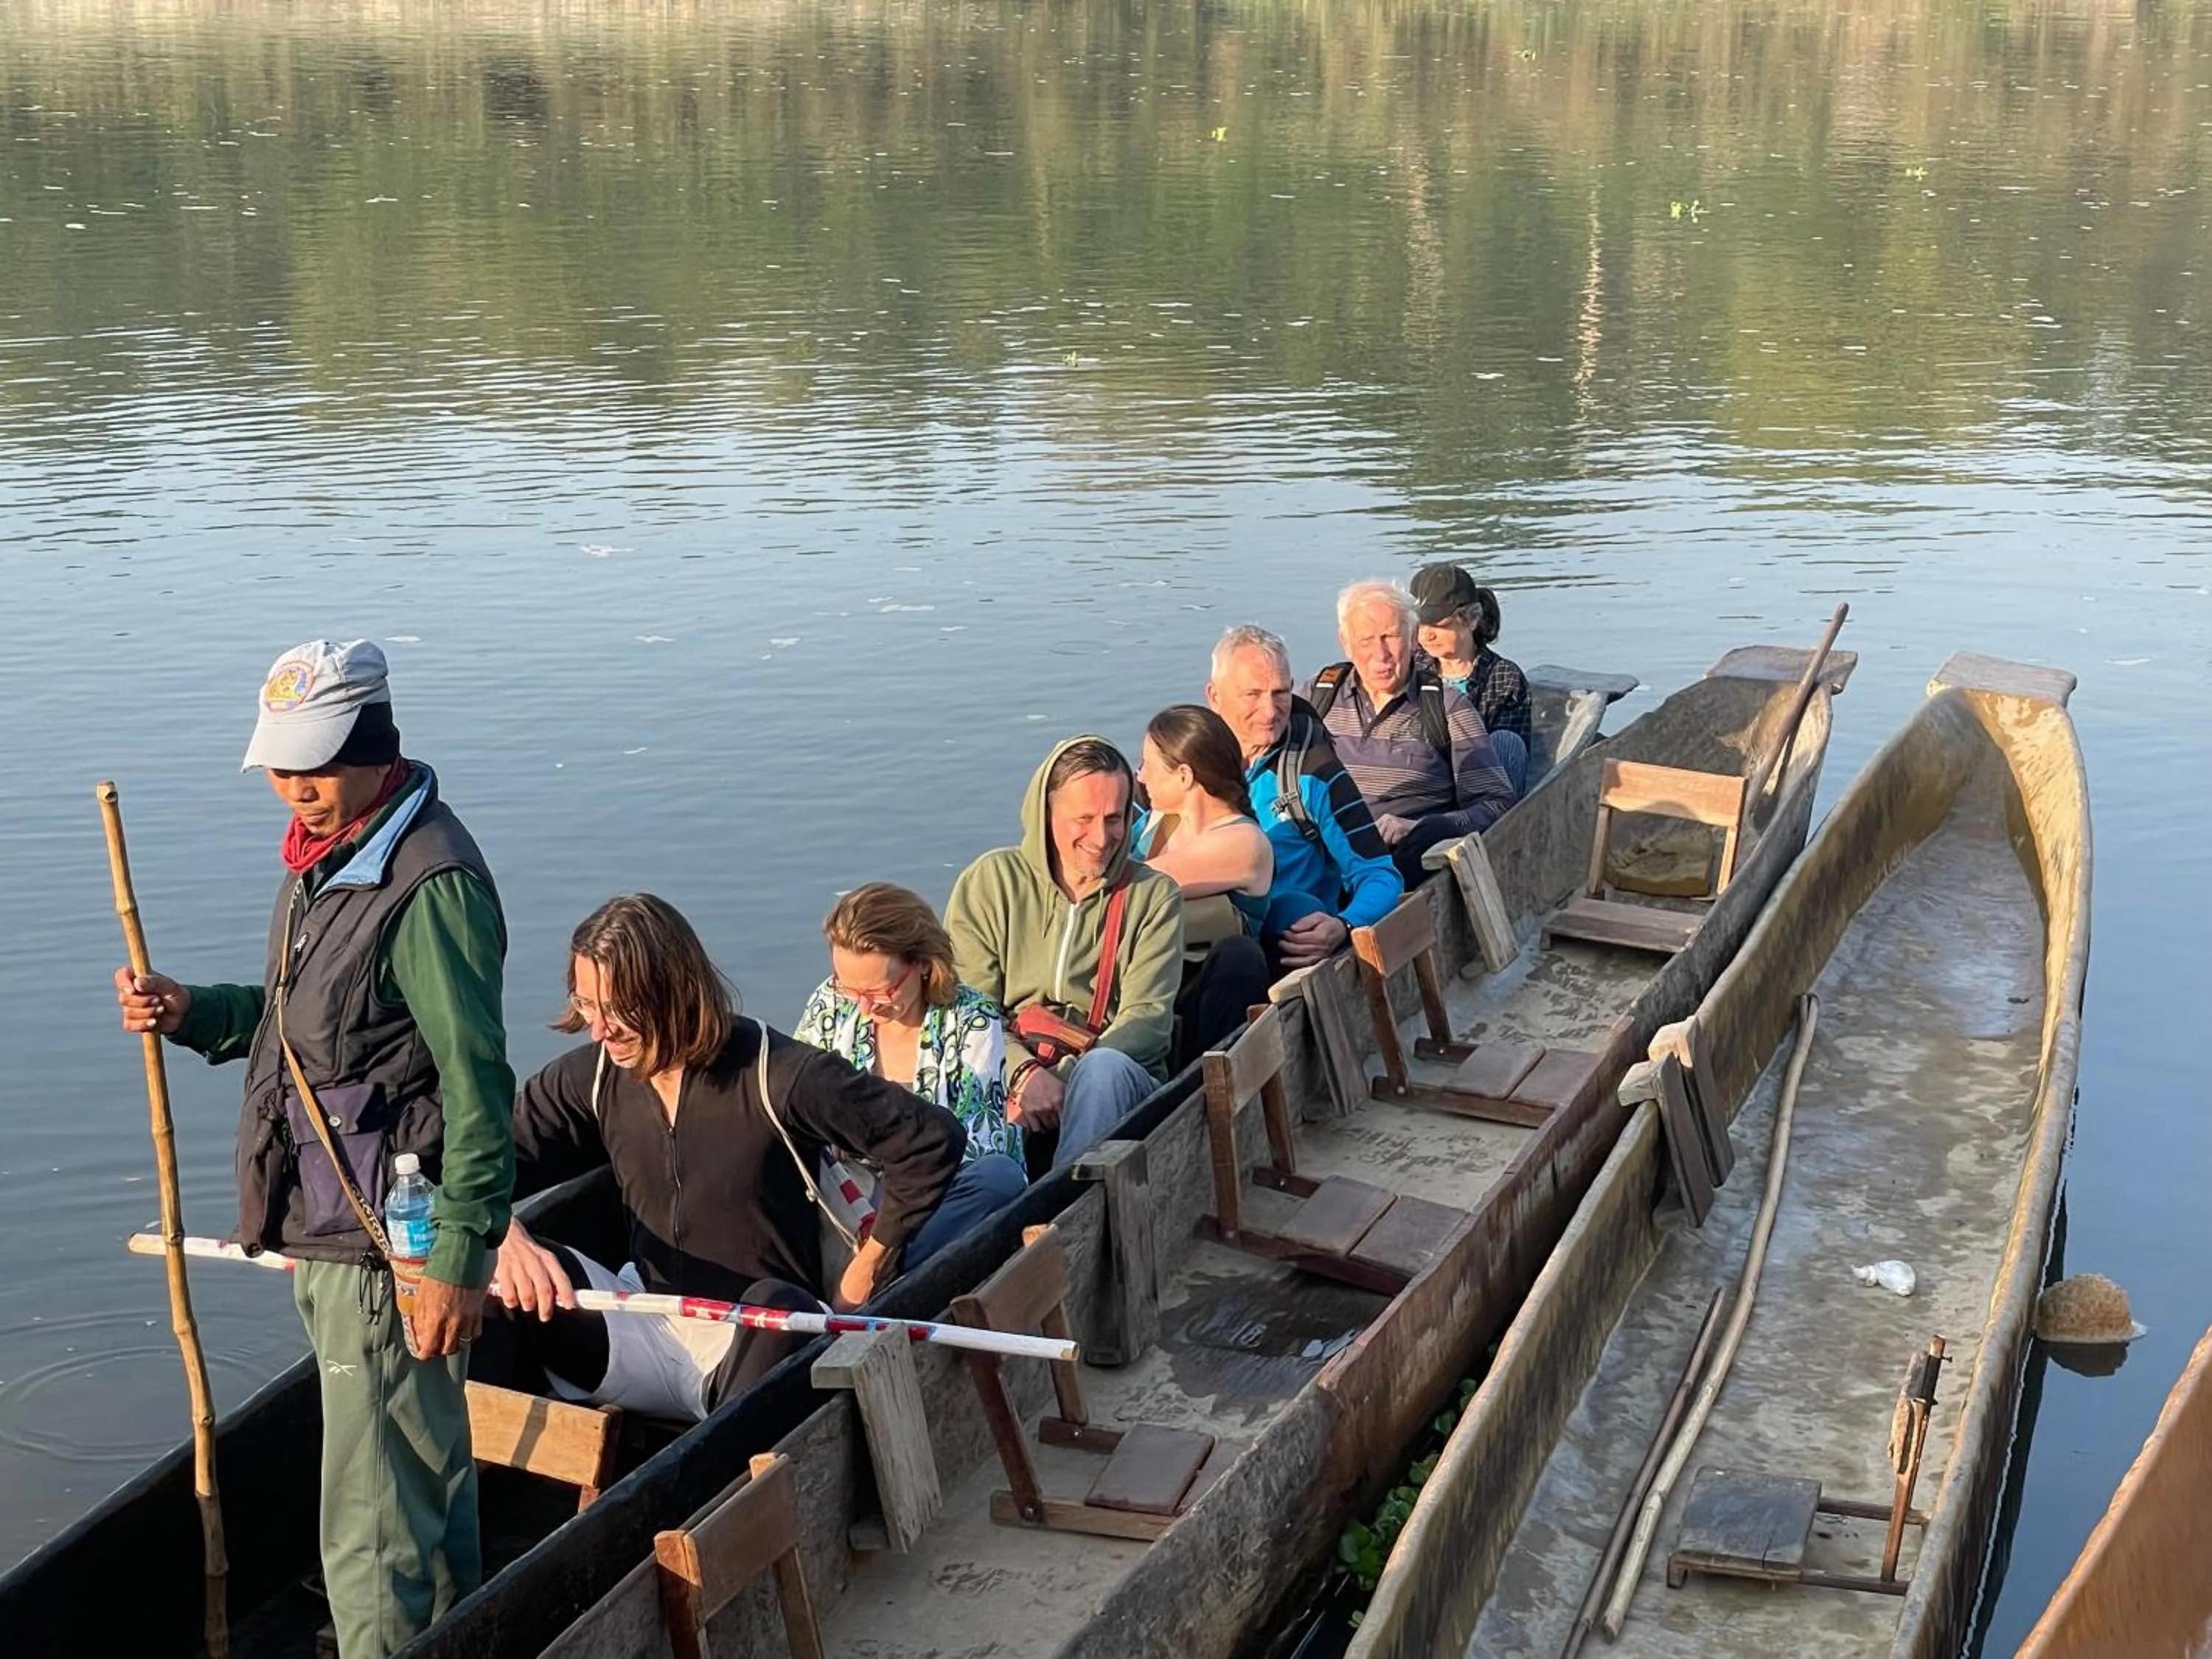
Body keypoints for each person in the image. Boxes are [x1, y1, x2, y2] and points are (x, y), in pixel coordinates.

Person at [114, 639, 514, 1659]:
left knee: (371, 1514)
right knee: (417, 1472)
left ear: (379, 744)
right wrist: (195, 1011)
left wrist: (462, 1257)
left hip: (389, 1243)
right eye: (284, 768)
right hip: (341, 1224)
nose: (299, 789)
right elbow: (315, 1028)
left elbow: (476, 1086)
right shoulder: (328, 863)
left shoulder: (427, 884)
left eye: (319, 765)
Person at [474, 894, 969, 1425]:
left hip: (753, 1341)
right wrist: (503, 1235)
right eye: (588, 1006)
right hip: (645, 1320)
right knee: (502, 1278)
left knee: (777, 1309)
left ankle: (717, 1488)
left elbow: (931, 1141)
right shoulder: (590, 1078)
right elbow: (476, 1165)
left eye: (619, 1010)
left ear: (673, 991)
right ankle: (485, 1484)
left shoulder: (779, 1074)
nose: (599, 1030)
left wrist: (868, 1266)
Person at [945, 737, 1183, 1172]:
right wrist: (1022, 1075)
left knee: (1104, 1071)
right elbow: (969, 1009)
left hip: (1110, 1075)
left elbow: (1148, 1022)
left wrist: (1060, 1082)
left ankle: (1064, 1215)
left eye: (1115, 819)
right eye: (1084, 819)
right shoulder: (990, 883)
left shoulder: (1154, 897)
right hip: (1010, 1067)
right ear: (1046, 814)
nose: (1101, 837)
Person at [794, 881, 1029, 1238]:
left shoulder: (972, 1018)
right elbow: (794, 1098)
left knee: (998, 1177)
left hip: (937, 1193)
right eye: (850, 988)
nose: (864, 1006)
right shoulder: (830, 1001)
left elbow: (972, 1143)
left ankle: (886, 1267)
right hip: (848, 1189)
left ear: (923, 965)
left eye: (880, 991)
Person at [1204, 625, 1402, 970]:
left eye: (1280, 692)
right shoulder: (1187, 762)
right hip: (1206, 932)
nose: (1269, 711)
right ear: (1214, 696)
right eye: (1252, 694)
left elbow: (1381, 875)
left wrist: (1344, 925)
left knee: (1289, 911)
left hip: (1284, 943)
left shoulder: (1315, 772)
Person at [1304, 580, 1517, 884]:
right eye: (1365, 640)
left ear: (1414, 638)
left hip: (1404, 863)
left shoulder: (1447, 707)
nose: (1381, 654)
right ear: (1345, 642)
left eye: (1390, 637)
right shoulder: (1318, 695)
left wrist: (1418, 827)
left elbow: (1497, 803)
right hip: (1324, 856)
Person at [1132, 704, 1275, 1063]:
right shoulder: (1154, 824)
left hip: (1204, 1000)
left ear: (1183, 776)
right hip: (1144, 981)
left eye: (1148, 765)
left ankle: (1203, 1091)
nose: (1141, 776)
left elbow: (1140, 887)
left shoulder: (1244, 842)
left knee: (1239, 957)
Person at [1411, 563, 1533, 793]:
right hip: (1422, 778)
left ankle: (1496, 821)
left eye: (1438, 624)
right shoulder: (1410, 669)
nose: (1426, 635)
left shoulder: (1504, 677)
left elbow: (1504, 757)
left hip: (1480, 783)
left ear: (1471, 620)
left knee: (1507, 742)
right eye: (1420, 624)